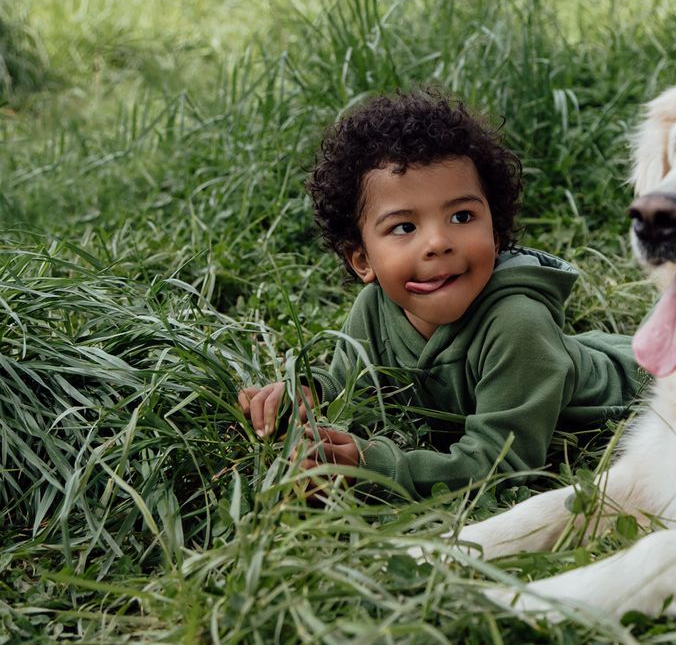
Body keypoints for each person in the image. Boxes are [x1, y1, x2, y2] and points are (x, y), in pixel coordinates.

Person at [238, 88, 646, 499]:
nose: (437, 242)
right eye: (404, 227)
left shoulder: (518, 325)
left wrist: (371, 467)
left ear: (496, 232)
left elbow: (500, 467)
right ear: (363, 261)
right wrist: (306, 393)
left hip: (653, 388)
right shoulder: (374, 308)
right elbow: (350, 385)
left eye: (462, 216)